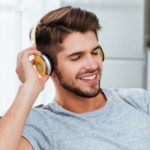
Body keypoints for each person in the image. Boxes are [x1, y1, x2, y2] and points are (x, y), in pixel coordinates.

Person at [0, 6, 150, 150]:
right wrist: (28, 87)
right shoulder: (40, 125)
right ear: (47, 66)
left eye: (94, 52)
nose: (92, 65)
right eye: (76, 57)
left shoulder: (138, 100)